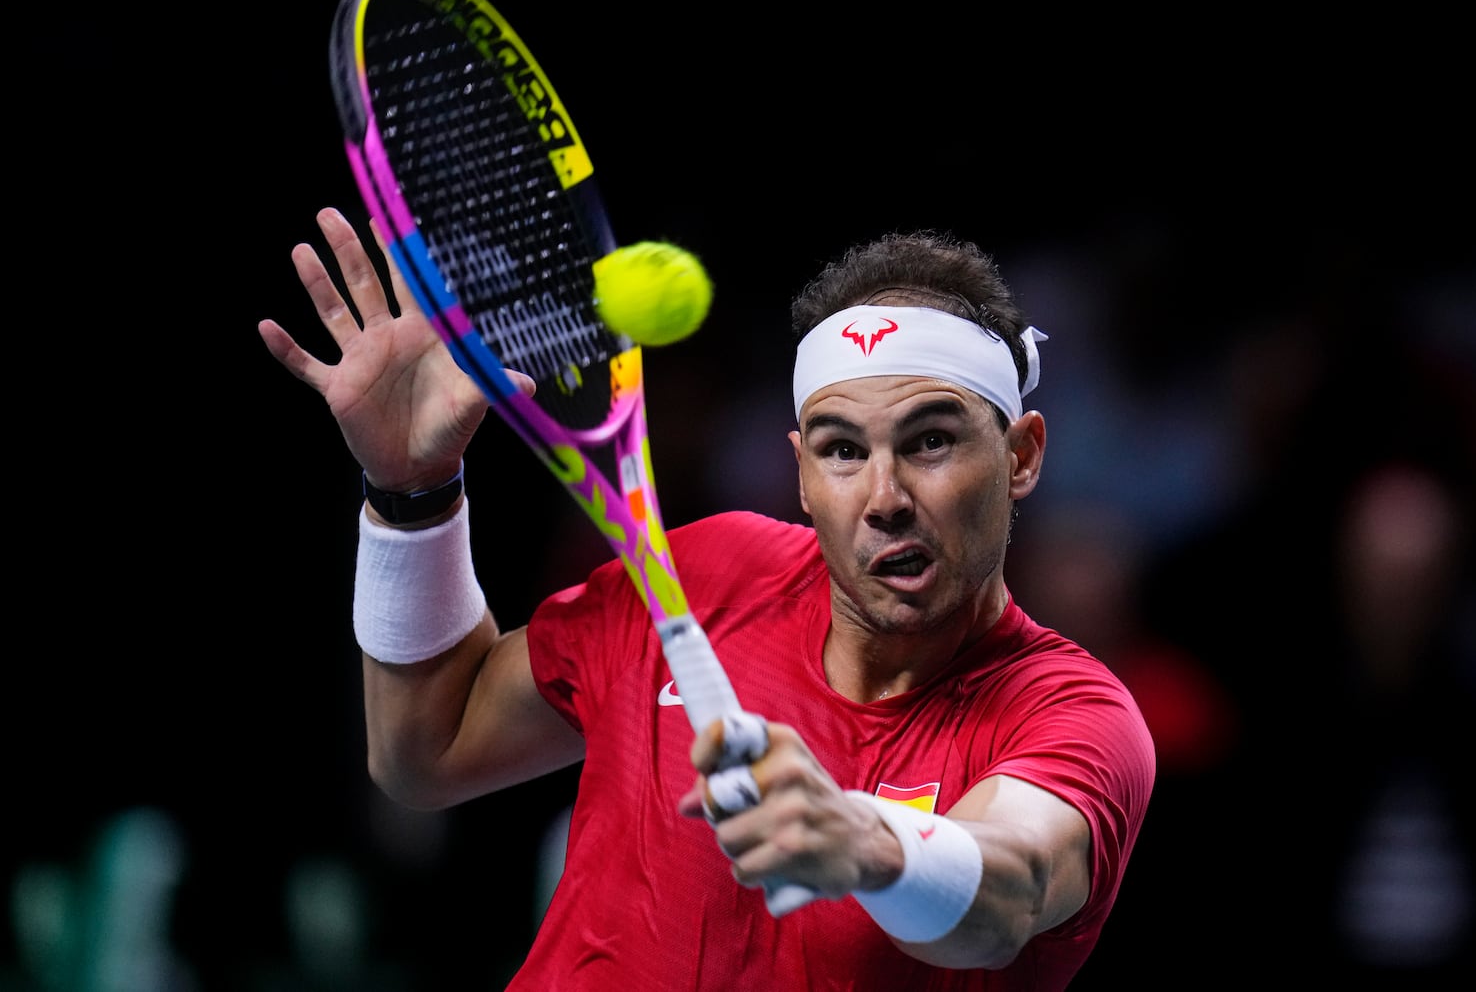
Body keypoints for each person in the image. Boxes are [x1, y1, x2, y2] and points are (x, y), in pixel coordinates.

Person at [258, 206, 1156, 990]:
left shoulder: (1072, 715)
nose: (884, 496)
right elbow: (427, 750)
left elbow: (1013, 886)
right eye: (843, 450)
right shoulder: (708, 572)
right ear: (802, 473)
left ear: (1023, 455)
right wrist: (411, 493)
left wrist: (867, 841)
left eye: (930, 441)